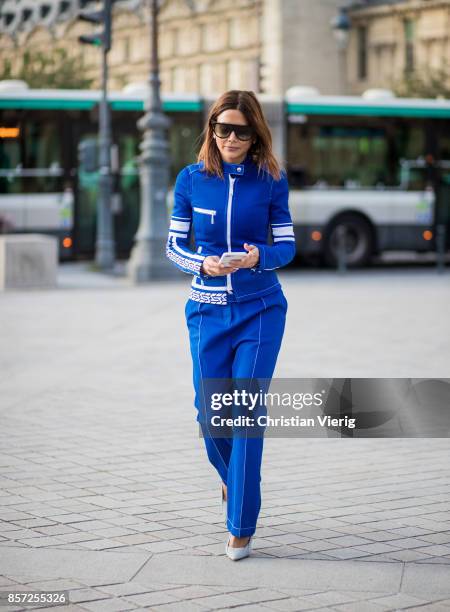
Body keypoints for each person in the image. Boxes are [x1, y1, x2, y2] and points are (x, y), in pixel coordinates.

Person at [166, 90, 296, 561]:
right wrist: (204, 265)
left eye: (241, 130)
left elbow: (287, 246)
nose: (231, 138)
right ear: (212, 131)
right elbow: (173, 247)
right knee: (209, 412)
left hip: (260, 308)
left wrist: (260, 256)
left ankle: (241, 525)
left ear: (254, 132)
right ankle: (231, 479)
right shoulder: (191, 179)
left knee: (244, 408)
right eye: (223, 128)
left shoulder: (271, 180)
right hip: (205, 310)